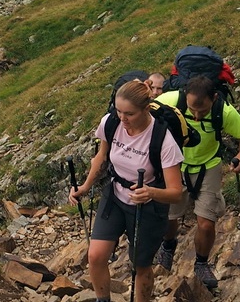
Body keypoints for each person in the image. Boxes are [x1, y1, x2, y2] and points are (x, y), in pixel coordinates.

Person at [69, 79, 184, 302]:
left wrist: (151, 192)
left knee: (141, 265)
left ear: (146, 108)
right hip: (115, 195)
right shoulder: (111, 122)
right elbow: (101, 157)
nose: (122, 118)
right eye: (118, 111)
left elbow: (176, 192)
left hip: (148, 207)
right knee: (95, 255)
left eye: (129, 114)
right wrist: (84, 187)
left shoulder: (163, 140)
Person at [154, 76, 240, 289]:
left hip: (209, 165)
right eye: (192, 110)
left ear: (214, 98)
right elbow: (145, 114)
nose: (197, 116)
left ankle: (201, 263)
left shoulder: (224, 111)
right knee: (170, 216)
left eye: (203, 110)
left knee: (206, 222)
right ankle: (168, 245)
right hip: (174, 165)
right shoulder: (171, 101)